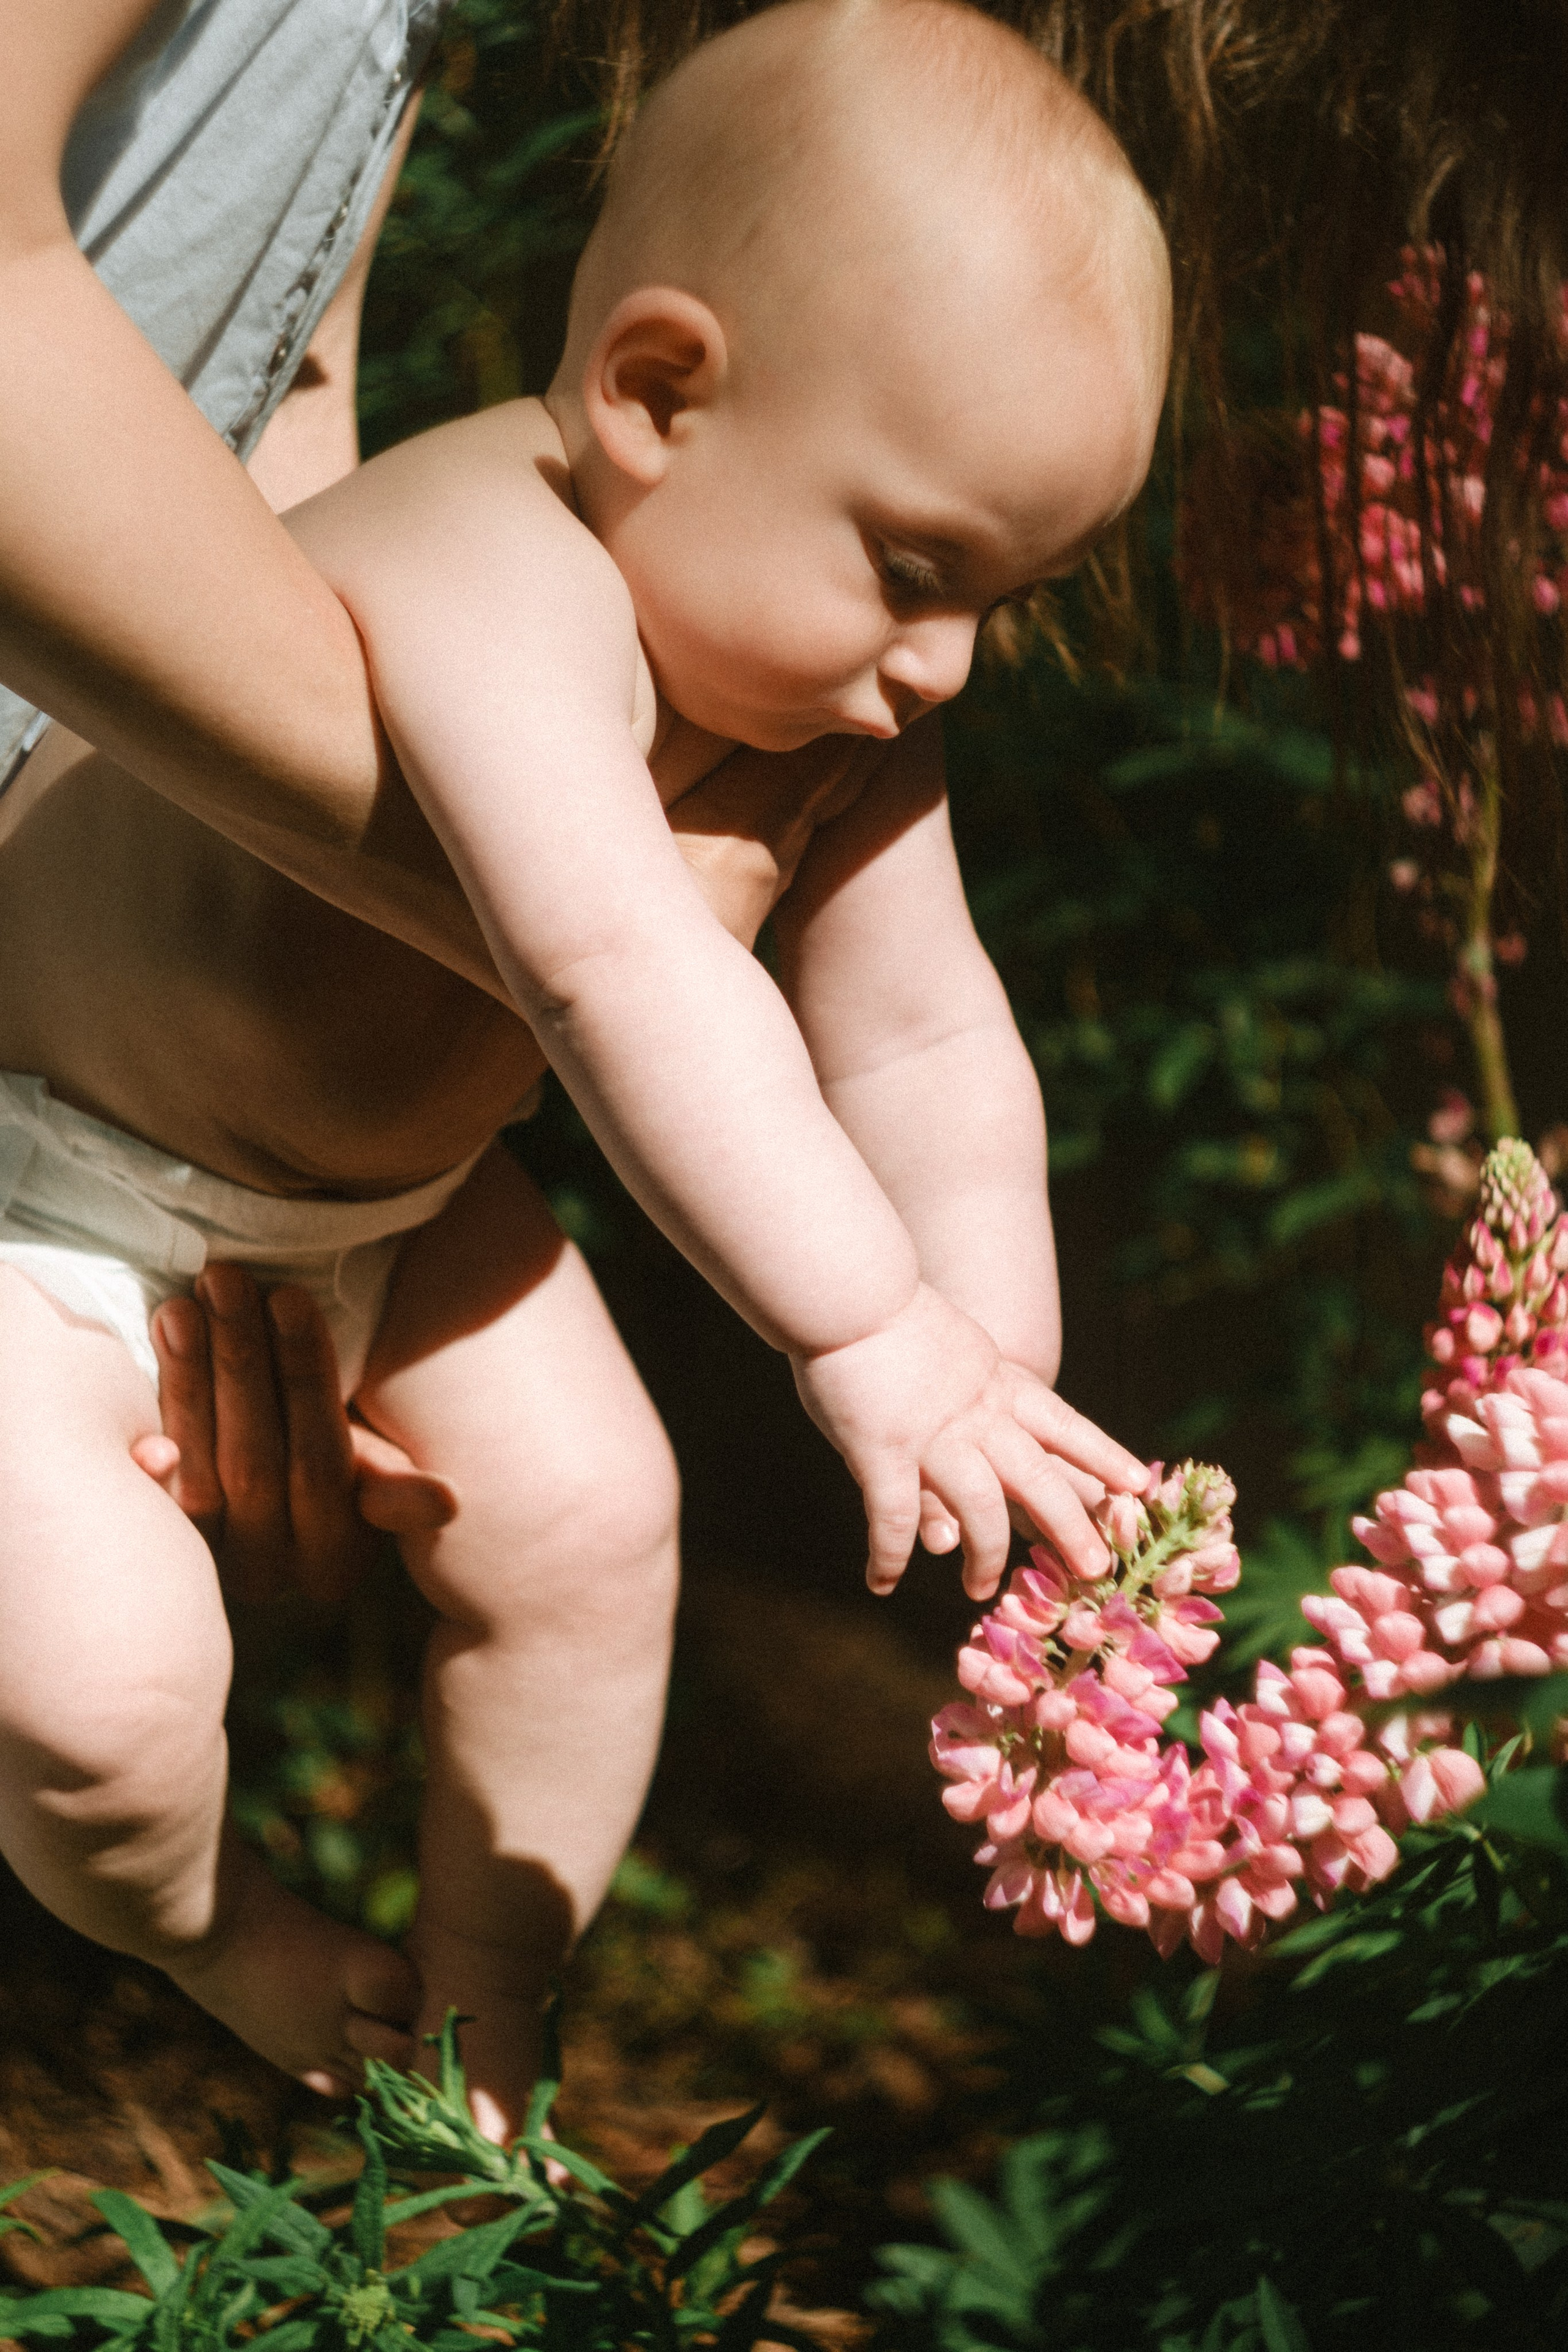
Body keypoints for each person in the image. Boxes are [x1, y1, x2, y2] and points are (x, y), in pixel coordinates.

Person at [0, 0, 1169, 2137]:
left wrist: (992, 1373)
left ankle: (491, 2013)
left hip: (382, 1207)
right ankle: (204, 1926)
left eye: (1007, 596)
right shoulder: (491, 567)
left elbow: (925, 1033)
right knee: (103, 1696)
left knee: (600, 1534)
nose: (946, 664)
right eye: (915, 571)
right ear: (656, 393)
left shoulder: (844, 705)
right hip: (42, 1180)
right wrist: (861, 1322)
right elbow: (612, 959)